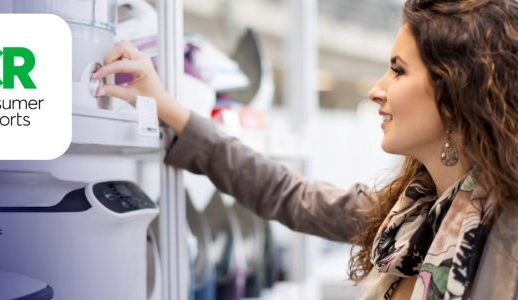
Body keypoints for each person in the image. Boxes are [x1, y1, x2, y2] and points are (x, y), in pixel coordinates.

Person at [91, 0, 518, 299]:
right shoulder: (408, 212)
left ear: (457, 90)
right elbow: (286, 194)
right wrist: (167, 108)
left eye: (397, 71)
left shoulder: (507, 237)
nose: (377, 90)